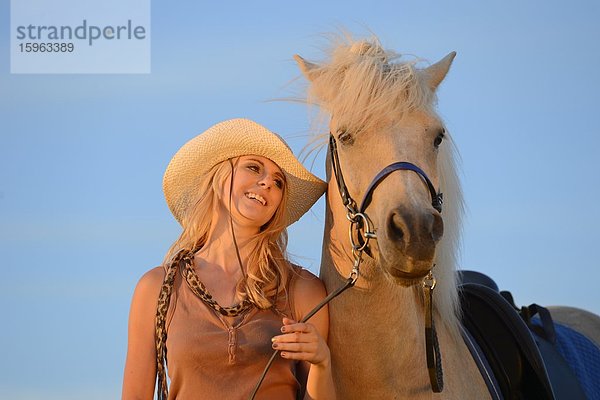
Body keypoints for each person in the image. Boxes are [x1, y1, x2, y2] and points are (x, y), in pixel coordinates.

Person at [122, 118, 335, 399]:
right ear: (221, 177)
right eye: (254, 167)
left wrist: (322, 363)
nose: (267, 182)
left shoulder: (302, 289)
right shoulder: (157, 287)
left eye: (278, 181)